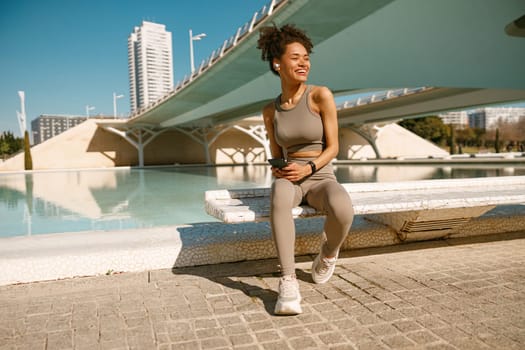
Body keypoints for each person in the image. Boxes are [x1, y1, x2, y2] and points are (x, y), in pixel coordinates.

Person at [257, 24, 354, 315]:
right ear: (278, 63)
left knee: (343, 210)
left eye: (306, 58)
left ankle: (328, 252)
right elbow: (276, 153)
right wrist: (279, 169)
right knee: (279, 197)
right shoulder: (270, 110)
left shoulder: (320, 95)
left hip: (320, 175)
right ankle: (288, 281)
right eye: (296, 57)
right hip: (291, 178)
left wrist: (309, 167)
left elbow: (334, 147)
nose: (304, 63)